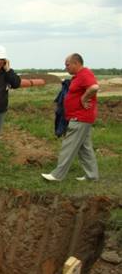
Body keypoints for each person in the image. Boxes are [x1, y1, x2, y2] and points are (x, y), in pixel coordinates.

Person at [41, 53, 99, 182]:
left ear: (76, 63)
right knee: (85, 148)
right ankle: (92, 175)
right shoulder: (78, 76)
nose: (66, 67)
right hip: (81, 118)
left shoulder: (85, 73)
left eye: (67, 65)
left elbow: (94, 87)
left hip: (80, 118)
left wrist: (84, 98)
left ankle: (57, 175)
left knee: (68, 146)